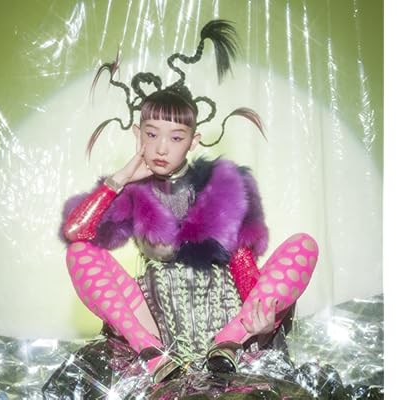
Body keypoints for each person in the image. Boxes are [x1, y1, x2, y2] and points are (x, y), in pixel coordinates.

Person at [60, 20, 318, 388]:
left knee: (304, 244)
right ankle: (149, 352)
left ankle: (228, 342)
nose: (161, 148)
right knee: (79, 252)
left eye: (176, 137)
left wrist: (262, 324)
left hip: (229, 335)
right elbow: (76, 233)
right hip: (157, 333)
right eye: (152, 134)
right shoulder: (132, 193)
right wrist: (120, 178)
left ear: (193, 141)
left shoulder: (222, 187)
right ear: (137, 134)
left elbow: (243, 263)